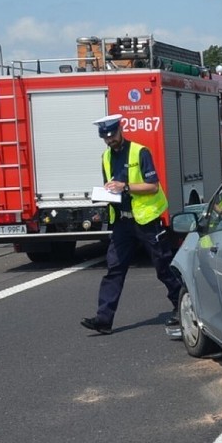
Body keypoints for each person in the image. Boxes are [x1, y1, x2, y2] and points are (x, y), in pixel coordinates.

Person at [81, 114, 182, 336]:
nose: (110, 141)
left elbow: (153, 186)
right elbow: (111, 186)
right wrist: (105, 192)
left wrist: (125, 187)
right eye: (106, 138)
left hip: (146, 220)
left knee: (163, 267)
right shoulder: (106, 157)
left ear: (120, 130)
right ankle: (104, 319)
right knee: (114, 269)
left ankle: (183, 307)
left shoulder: (140, 151)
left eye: (113, 136)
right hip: (122, 221)